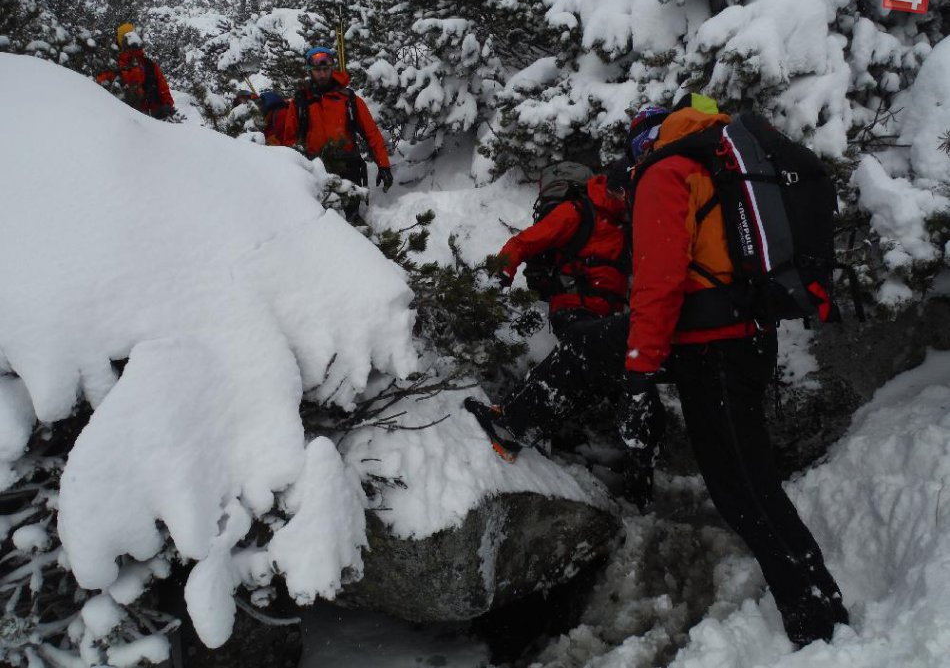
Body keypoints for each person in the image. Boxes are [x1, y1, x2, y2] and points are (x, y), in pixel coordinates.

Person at [466, 99, 849, 649]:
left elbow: (659, 283)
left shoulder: (668, 170)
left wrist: (640, 371)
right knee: (736, 479)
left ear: (647, 141)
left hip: (711, 344)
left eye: (635, 145)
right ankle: (521, 424)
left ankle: (818, 619)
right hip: (734, 339)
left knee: (743, 487)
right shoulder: (715, 163)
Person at [495, 163, 631, 339]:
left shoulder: (631, 224)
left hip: (614, 317)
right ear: (621, 190)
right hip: (575, 311)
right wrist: (496, 278)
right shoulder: (578, 212)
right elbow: (522, 243)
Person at [282, 46, 392, 192]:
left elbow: (371, 133)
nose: (322, 74)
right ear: (310, 71)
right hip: (315, 171)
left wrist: (384, 165)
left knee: (351, 206)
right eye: (317, 70)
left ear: (331, 69)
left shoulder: (350, 100)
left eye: (325, 69)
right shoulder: (300, 102)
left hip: (348, 169)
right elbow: (290, 141)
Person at [96, 23, 175, 119]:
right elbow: (101, 90)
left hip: (151, 119)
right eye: (127, 38)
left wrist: (166, 107)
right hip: (119, 118)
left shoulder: (149, 65)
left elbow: (164, 91)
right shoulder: (113, 65)